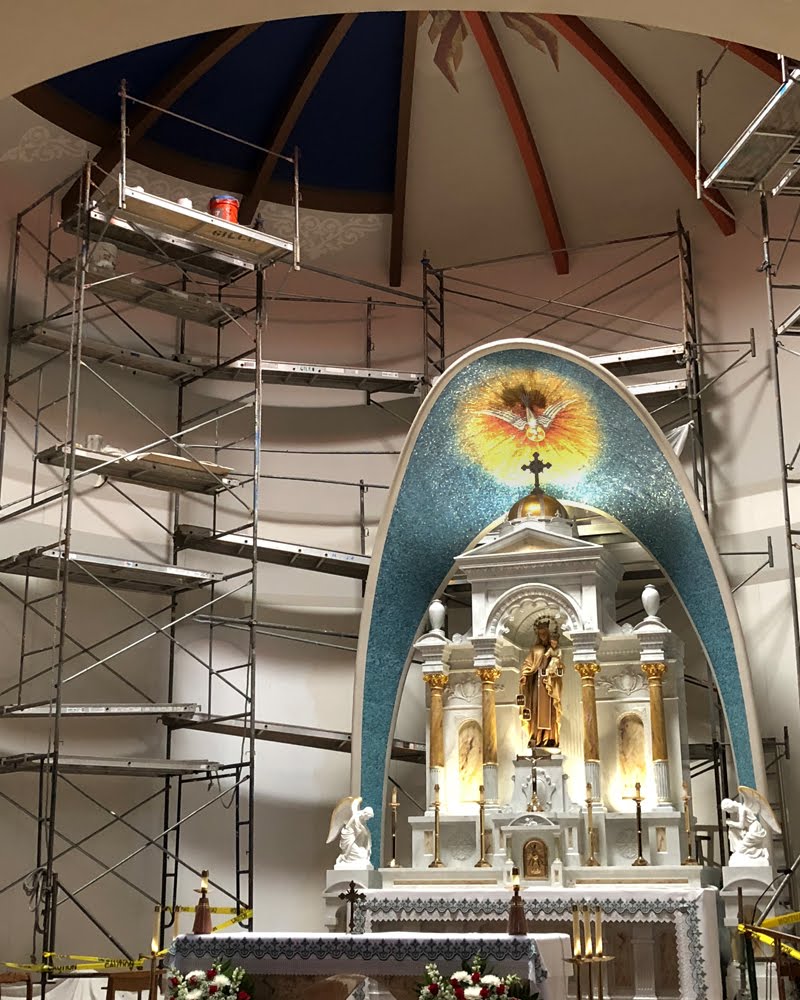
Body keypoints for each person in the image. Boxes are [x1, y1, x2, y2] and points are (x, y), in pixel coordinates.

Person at [517, 618, 559, 748]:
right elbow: (528, 664)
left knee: (550, 710)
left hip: (548, 683)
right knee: (535, 710)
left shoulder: (554, 650)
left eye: (545, 633)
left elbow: (558, 664)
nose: (543, 636)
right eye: (540, 634)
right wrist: (524, 675)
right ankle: (535, 737)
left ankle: (550, 737)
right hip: (537, 683)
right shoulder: (536, 649)